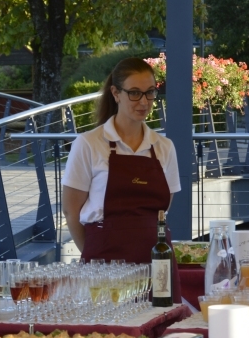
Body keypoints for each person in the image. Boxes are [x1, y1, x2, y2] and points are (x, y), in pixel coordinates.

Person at [62, 57, 182, 303]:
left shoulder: (164, 147)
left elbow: (162, 210)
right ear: (115, 93)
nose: (144, 102)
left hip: (156, 262)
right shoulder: (88, 144)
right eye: (135, 93)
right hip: (104, 261)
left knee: (160, 332)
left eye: (150, 93)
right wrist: (95, 252)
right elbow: (71, 212)